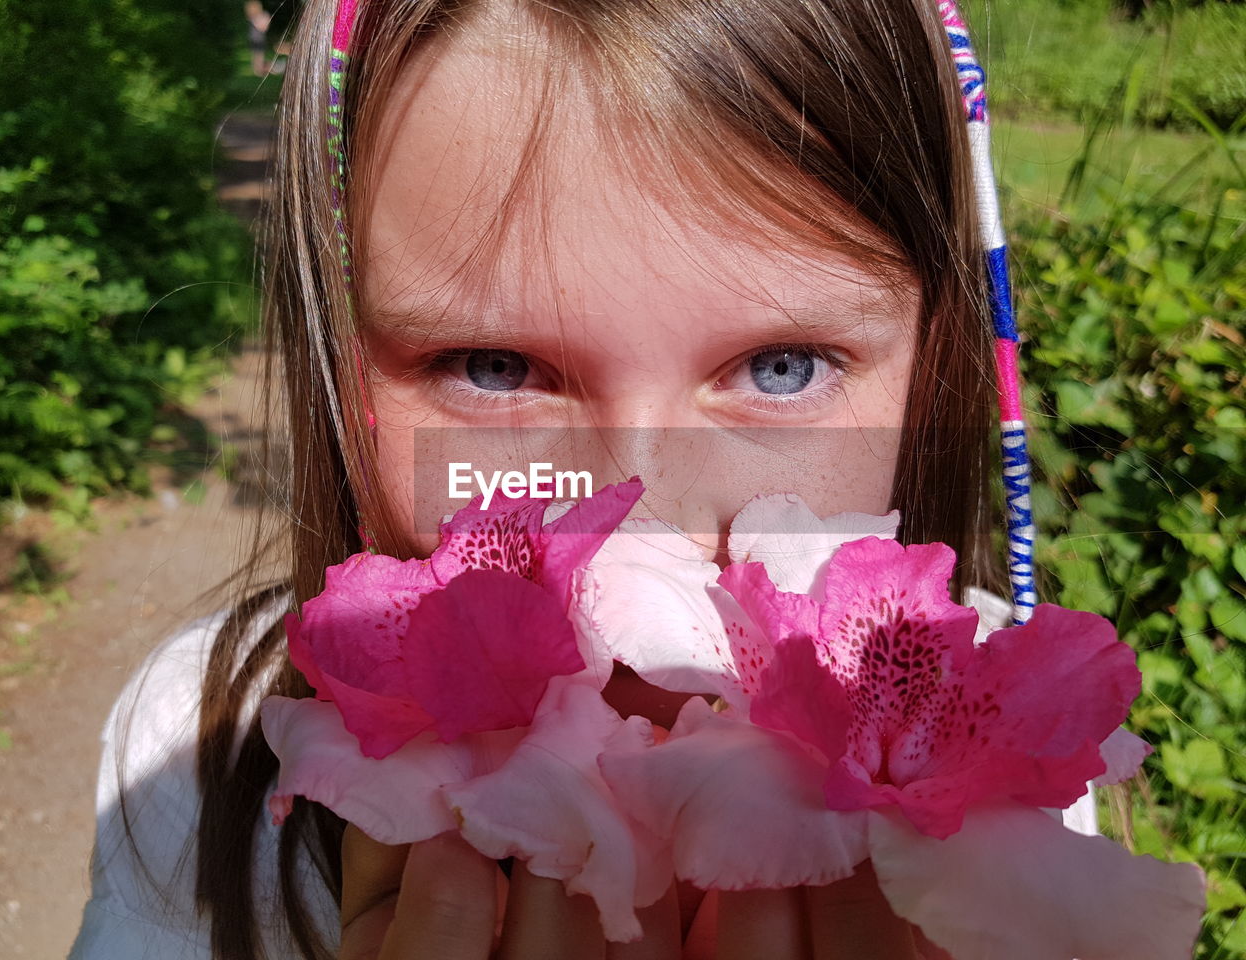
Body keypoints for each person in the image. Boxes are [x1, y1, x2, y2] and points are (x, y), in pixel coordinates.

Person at [68, 0, 1098, 957]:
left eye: (781, 368)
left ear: (938, 361)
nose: (639, 529)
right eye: (493, 368)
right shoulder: (195, 747)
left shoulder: (991, 742)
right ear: (343, 379)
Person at [246, 1, 274, 78]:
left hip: (259, 39)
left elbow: (264, 28)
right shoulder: (252, 16)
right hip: (253, 39)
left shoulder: (263, 15)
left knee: (259, 55)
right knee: (255, 55)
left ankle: (262, 69)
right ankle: (259, 69)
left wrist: (256, 22)